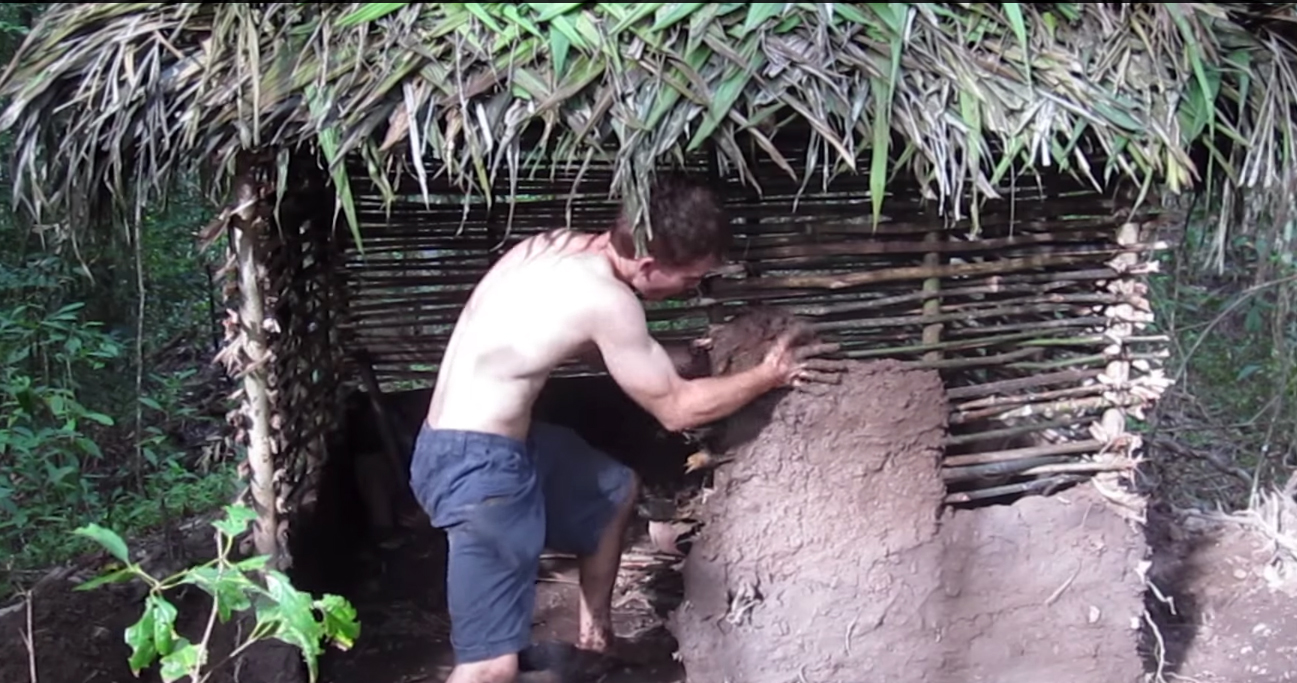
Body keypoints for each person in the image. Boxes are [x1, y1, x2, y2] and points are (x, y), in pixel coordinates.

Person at [409, 173, 847, 683]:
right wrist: (769, 375)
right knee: (489, 667)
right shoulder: (608, 301)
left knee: (613, 489)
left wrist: (679, 357)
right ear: (647, 264)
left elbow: (576, 336)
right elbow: (678, 411)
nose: (691, 291)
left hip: (470, 442)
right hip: (480, 474)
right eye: (689, 280)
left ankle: (595, 640)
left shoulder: (552, 250)